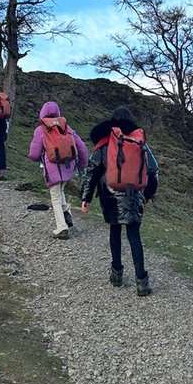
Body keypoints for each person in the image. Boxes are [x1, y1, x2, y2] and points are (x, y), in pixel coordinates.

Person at [80, 106, 158, 296]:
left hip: (110, 195)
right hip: (134, 195)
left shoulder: (106, 142)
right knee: (134, 235)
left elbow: (92, 172)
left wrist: (86, 198)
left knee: (115, 231)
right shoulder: (139, 143)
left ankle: (116, 274)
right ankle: (141, 281)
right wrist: (147, 195)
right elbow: (153, 170)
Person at [27, 101, 89, 240]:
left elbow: (34, 154)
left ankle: (62, 228)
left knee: (55, 197)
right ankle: (67, 215)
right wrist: (82, 165)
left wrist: (40, 159)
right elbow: (82, 148)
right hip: (68, 167)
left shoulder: (41, 129)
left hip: (52, 168)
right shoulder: (67, 127)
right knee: (60, 191)